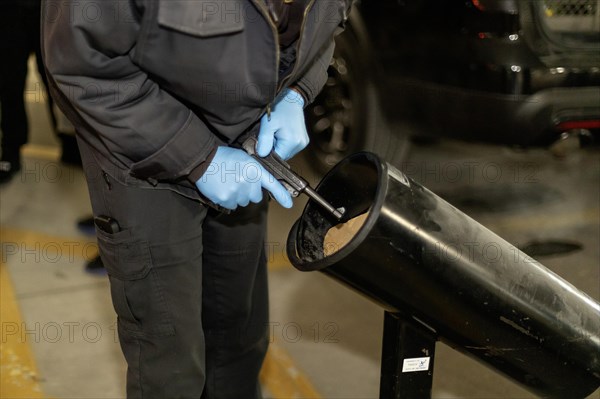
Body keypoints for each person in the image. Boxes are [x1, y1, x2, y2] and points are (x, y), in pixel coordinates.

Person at [42, 0, 352, 397]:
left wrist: (296, 91)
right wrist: (199, 158)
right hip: (143, 153)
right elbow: (81, 66)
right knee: (171, 363)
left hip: (245, 144)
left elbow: (331, 17)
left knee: (238, 338)